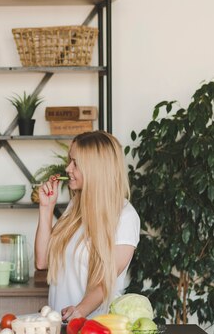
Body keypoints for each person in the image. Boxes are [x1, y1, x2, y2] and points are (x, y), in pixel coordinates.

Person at [34, 130, 140, 320]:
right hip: (62, 323)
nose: (68, 169)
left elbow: (104, 282)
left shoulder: (125, 216)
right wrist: (46, 207)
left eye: (75, 163)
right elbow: (42, 261)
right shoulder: (76, 206)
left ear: (95, 168)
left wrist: (79, 312)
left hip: (95, 326)